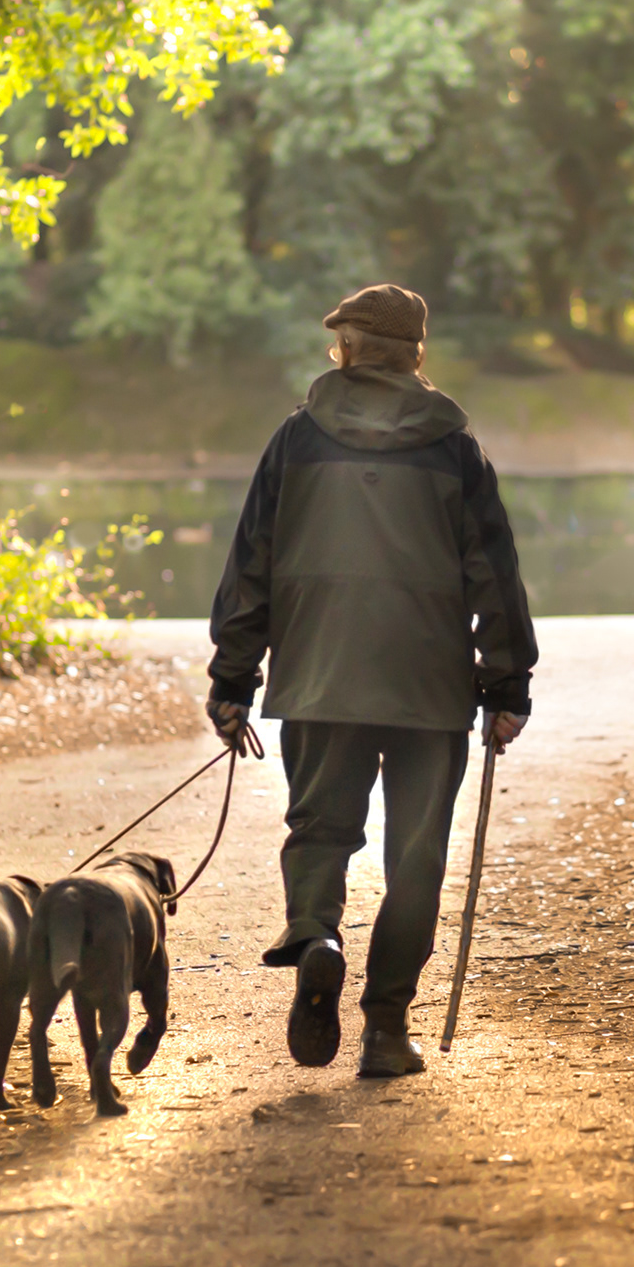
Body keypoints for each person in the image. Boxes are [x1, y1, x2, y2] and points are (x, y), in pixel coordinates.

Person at [206, 283, 536, 1078]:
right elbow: (493, 572)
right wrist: (506, 683)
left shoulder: (296, 440)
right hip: (429, 690)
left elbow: (253, 563)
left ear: (347, 349)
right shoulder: (455, 446)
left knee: (320, 829)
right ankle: (385, 1030)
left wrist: (233, 677)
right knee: (415, 858)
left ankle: (316, 936)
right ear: (415, 354)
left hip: (320, 677)